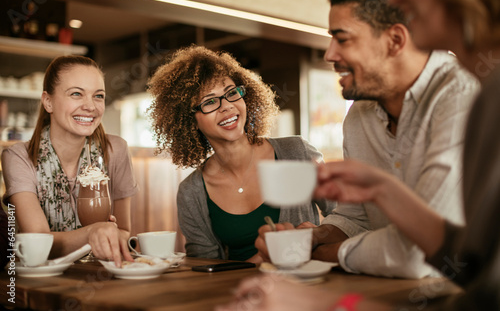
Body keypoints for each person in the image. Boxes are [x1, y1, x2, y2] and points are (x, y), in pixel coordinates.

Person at [218, 0, 500, 310]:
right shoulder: (359, 116)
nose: (329, 54)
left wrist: (324, 283)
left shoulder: (470, 96)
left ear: (395, 40)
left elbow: (422, 260)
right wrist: (318, 236)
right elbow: (469, 259)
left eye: (342, 39)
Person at [147, 45, 335, 262]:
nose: (226, 106)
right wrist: (262, 260)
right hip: (239, 292)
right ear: (190, 120)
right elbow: (205, 270)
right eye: (209, 101)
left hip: (309, 286)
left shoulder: (296, 152)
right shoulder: (191, 193)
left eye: (231, 92)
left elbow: (348, 218)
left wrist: (317, 235)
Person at [1, 55, 138, 266]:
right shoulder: (19, 157)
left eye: (98, 96)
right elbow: (38, 242)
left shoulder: (115, 150)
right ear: (48, 101)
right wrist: (93, 232)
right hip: (43, 282)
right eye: (76, 94)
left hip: (100, 273)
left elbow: (124, 231)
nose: (90, 106)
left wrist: (115, 235)